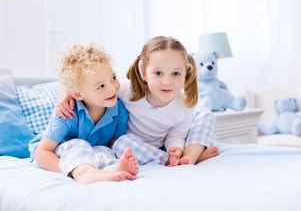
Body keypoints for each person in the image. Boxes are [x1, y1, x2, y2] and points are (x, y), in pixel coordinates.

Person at [56, 36, 219, 166]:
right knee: (121, 143)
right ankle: (170, 160)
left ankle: (189, 157)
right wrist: (65, 96)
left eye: (176, 74)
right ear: (144, 73)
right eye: (158, 73)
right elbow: (95, 91)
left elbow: (176, 135)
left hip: (163, 145)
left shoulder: (183, 105)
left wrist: (175, 148)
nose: (167, 82)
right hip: (136, 146)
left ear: (186, 74)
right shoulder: (128, 89)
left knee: (205, 115)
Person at [29, 43, 139, 184]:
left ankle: (110, 170)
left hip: (92, 152)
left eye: (113, 78)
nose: (112, 88)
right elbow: (42, 153)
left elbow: (113, 144)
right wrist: (70, 168)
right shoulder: (67, 112)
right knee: (78, 146)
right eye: (101, 86)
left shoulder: (119, 110)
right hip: (61, 153)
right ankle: (84, 173)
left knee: (105, 151)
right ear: (77, 94)